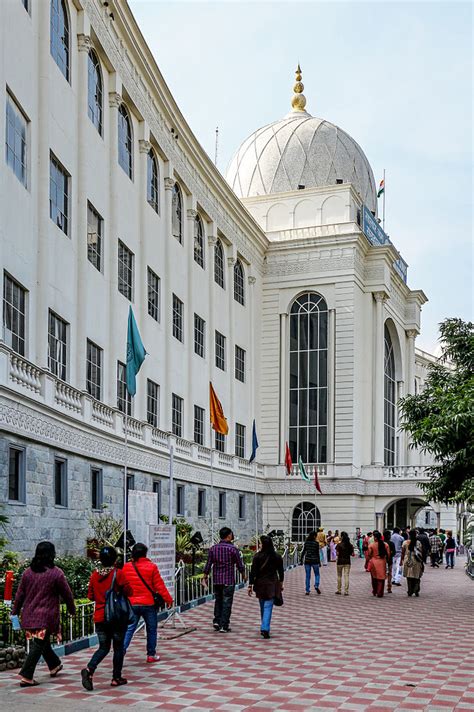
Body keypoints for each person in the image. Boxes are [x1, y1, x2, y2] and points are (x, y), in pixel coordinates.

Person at [12, 541, 75, 687]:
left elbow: (20, 595)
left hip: (29, 615)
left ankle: (54, 665)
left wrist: (14, 612)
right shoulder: (56, 573)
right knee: (38, 645)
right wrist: (72, 609)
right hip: (46, 617)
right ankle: (27, 676)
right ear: (51, 554)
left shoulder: (28, 572)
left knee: (43, 643)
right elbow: (67, 595)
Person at [81, 547, 132, 690]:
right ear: (115, 559)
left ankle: (90, 669)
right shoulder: (118, 574)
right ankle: (116, 677)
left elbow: (90, 596)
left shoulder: (94, 575)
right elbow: (129, 591)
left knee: (103, 647)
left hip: (100, 617)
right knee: (118, 647)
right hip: (116, 617)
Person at [122, 543, 172, 662]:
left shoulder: (126, 567)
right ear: (145, 553)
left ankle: (121, 652)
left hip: (132, 603)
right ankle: (151, 655)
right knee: (151, 629)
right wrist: (168, 599)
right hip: (148, 604)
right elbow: (159, 586)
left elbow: (122, 585)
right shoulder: (152, 567)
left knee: (129, 629)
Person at [203, 527, 245, 632]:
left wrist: (205, 576)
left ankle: (217, 621)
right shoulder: (233, 549)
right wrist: (243, 574)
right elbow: (240, 564)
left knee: (218, 600)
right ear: (229, 535)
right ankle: (224, 625)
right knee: (227, 602)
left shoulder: (213, 548)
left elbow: (208, 564)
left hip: (216, 579)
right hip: (228, 580)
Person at [248, 535, 284, 639]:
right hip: (272, 584)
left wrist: (250, 585)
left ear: (262, 545)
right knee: (268, 606)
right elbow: (281, 572)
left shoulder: (257, 556)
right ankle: (265, 628)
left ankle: (264, 626)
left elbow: (253, 572)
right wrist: (281, 583)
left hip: (260, 584)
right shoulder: (277, 556)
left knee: (262, 605)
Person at [401, 529, 424, 596]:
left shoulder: (405, 542)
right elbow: (421, 552)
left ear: (409, 535)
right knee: (416, 576)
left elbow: (402, 552)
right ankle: (416, 590)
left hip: (407, 560)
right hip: (416, 560)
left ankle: (410, 590)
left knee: (409, 576)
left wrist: (401, 560)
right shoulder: (418, 543)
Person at [367, 530, 390, 598]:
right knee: (381, 578)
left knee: (374, 578)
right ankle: (380, 592)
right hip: (382, 561)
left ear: (375, 537)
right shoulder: (385, 544)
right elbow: (388, 554)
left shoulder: (371, 545)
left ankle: (375, 590)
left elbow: (369, 554)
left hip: (374, 561)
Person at [335, 531, 354, 595]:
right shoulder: (350, 545)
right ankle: (346, 591)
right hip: (347, 561)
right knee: (346, 576)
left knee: (339, 576)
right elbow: (352, 554)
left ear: (342, 537)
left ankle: (339, 590)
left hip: (340, 561)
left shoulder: (339, 545)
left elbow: (337, 554)